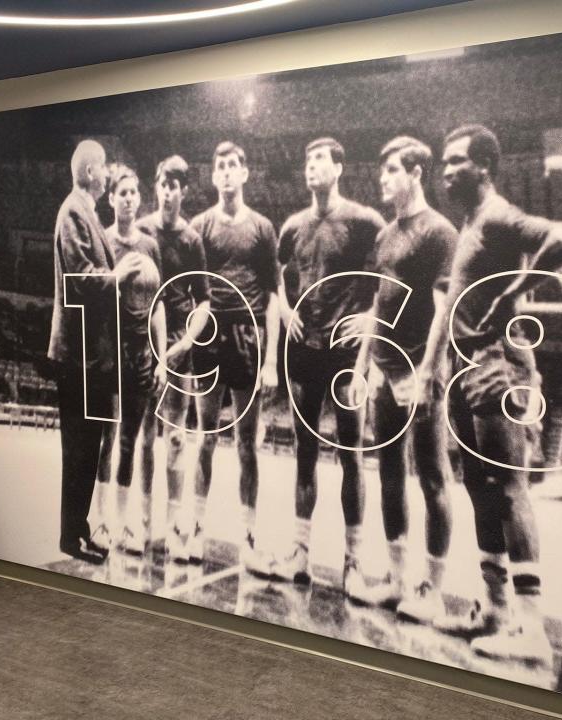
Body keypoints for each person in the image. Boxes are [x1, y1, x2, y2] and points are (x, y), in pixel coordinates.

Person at [437, 124, 562, 667]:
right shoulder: (470, 223)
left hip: (499, 365)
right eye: (445, 162)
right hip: (466, 366)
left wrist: (515, 295)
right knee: (479, 486)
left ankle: (532, 628)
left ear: (484, 167)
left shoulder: (497, 215)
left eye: (456, 161)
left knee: (510, 486)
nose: (447, 170)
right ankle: (495, 610)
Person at [346, 136, 456, 622]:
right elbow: (378, 303)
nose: (382, 178)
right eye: (382, 170)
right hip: (385, 371)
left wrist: (427, 371)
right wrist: (361, 365)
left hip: (422, 370)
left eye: (392, 169)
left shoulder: (440, 233)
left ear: (416, 173)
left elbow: (442, 309)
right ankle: (394, 579)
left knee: (432, 476)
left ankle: (431, 589)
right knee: (390, 473)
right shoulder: (384, 235)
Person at [273, 137, 385, 596]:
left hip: (345, 352)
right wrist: (285, 310)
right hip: (306, 346)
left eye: (319, 159)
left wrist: (370, 323)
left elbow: (386, 280)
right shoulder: (293, 225)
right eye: (307, 159)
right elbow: (276, 277)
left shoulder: (364, 222)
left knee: (351, 453)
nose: (310, 167)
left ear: (339, 167)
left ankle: (353, 563)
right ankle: (299, 554)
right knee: (303, 451)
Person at [48, 139, 144, 564]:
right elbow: (78, 280)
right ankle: (71, 537)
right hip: (78, 355)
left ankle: (80, 530)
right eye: (103, 167)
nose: (107, 174)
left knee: (90, 444)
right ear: (89, 172)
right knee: (80, 448)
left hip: (93, 355)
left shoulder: (85, 212)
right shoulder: (73, 210)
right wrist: (118, 276)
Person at [188, 141, 280, 573]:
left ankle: (248, 538)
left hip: (248, 333)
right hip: (209, 334)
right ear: (213, 177)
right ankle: (197, 530)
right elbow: (188, 289)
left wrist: (271, 361)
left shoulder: (262, 228)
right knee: (204, 436)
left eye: (233, 166)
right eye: (219, 166)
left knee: (247, 446)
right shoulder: (200, 226)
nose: (226, 172)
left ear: (245, 174)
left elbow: (276, 295)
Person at [137, 156, 212, 563]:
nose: (169, 191)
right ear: (157, 187)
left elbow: (204, 300)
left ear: (184, 192)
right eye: (163, 183)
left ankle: (172, 528)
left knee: (177, 438)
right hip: (145, 346)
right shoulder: (143, 230)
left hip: (180, 349)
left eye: (176, 185)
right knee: (145, 437)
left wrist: (185, 344)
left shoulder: (192, 239)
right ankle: (145, 525)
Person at [89, 164, 166, 555]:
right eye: (122, 192)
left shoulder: (150, 246)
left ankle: (122, 524)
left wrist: (162, 358)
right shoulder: (101, 241)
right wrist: (116, 275)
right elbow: (89, 295)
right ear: (111, 198)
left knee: (130, 442)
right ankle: (98, 521)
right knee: (106, 438)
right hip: (107, 353)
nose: (129, 198)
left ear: (140, 198)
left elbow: (158, 307)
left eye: (134, 192)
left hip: (140, 356)